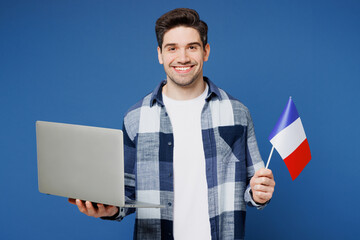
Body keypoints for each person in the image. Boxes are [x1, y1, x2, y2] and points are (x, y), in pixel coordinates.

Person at [69, 8, 275, 240]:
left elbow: (254, 185)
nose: (183, 57)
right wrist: (110, 209)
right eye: (172, 48)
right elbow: (125, 194)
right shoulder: (136, 117)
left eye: (192, 47)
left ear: (206, 51)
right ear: (160, 54)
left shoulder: (237, 112)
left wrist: (260, 193)